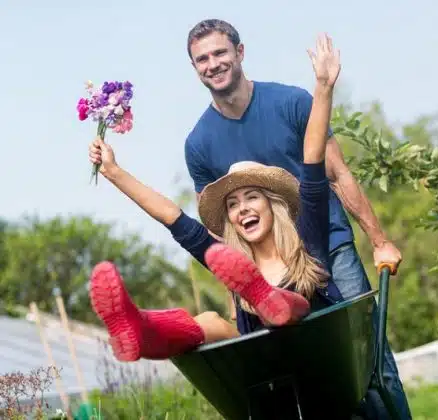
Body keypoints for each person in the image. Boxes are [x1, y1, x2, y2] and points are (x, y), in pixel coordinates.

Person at [183, 19, 412, 419]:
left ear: (240, 52)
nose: (212, 64)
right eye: (202, 59)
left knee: (368, 361)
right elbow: (217, 227)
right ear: (195, 68)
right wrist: (235, 286)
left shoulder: (290, 103)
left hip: (328, 250)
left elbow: (337, 174)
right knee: (297, 376)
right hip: (266, 273)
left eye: (220, 52)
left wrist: (378, 240)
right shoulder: (199, 144)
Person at [88, 32, 344, 360]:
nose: (242, 209)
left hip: (320, 350)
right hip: (268, 366)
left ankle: (273, 301)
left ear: (272, 202)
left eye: (251, 197)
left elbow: (312, 159)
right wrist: (114, 172)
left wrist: (323, 87)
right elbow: (172, 217)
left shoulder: (307, 240)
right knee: (210, 322)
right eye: (233, 205)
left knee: (287, 309)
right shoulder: (231, 259)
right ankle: (140, 327)